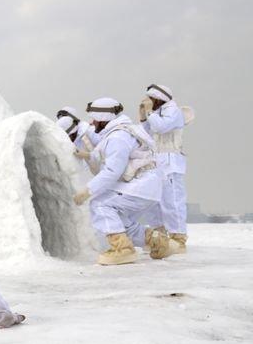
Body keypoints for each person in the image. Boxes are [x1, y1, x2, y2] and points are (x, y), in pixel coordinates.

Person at [73, 98, 169, 265]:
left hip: (141, 185)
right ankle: (156, 240)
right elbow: (108, 155)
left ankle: (122, 250)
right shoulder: (123, 131)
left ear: (103, 118)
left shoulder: (118, 136)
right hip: (146, 185)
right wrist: (87, 155)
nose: (92, 122)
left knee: (100, 204)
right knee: (119, 220)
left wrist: (87, 191)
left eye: (94, 118)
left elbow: (112, 170)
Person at [139, 84, 188, 253]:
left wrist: (150, 113)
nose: (149, 102)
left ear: (158, 99)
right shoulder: (157, 114)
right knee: (154, 200)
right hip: (156, 161)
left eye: (151, 99)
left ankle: (178, 238)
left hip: (171, 161)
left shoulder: (174, 111)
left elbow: (161, 127)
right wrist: (144, 117)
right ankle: (159, 236)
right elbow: (146, 133)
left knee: (172, 201)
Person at [56, 106, 100, 174]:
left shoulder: (91, 132)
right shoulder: (70, 141)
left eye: (68, 137)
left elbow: (108, 152)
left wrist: (88, 155)